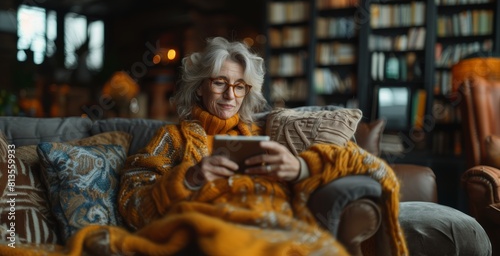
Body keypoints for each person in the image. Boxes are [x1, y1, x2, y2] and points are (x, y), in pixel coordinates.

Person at [116, 37, 408, 255]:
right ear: (200, 86)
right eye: (220, 82)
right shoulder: (173, 137)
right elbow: (132, 205)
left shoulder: (268, 132)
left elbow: (353, 159)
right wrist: (190, 178)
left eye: (240, 85)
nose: (230, 94)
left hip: (277, 225)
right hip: (209, 228)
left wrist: (300, 167)